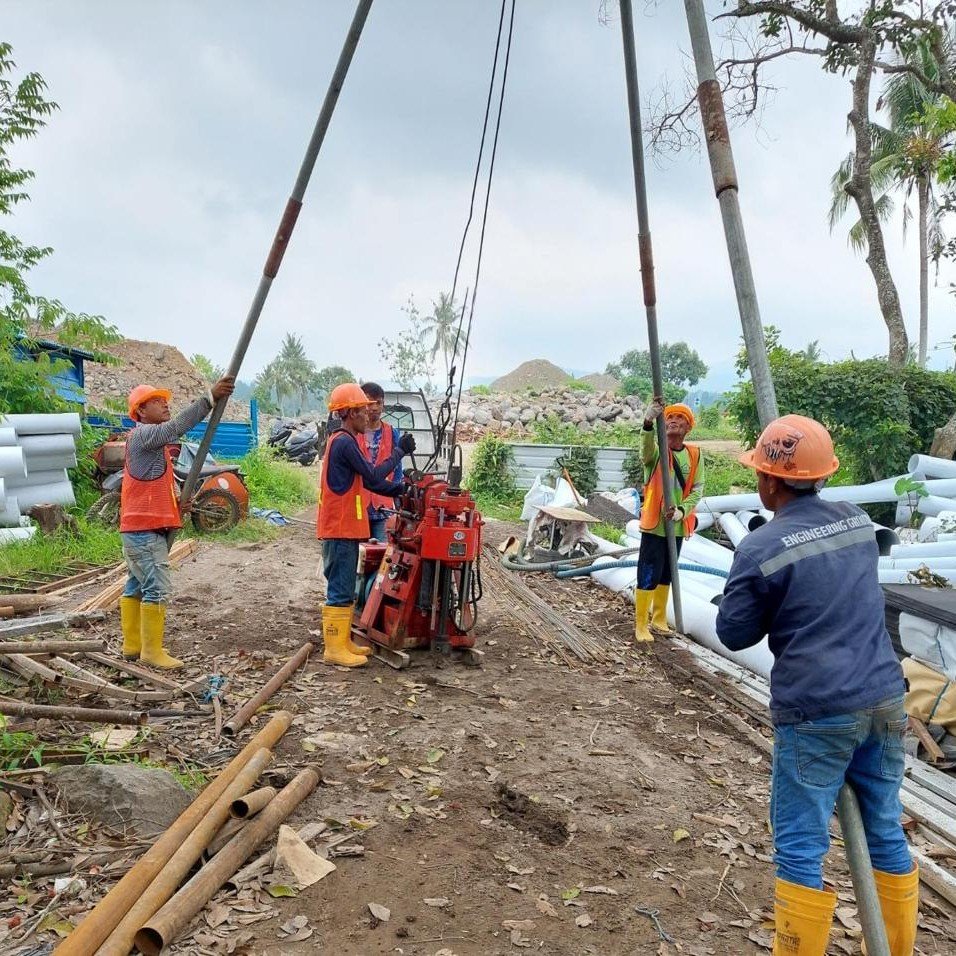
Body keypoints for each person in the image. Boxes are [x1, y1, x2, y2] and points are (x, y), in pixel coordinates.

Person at [715, 414, 916, 956]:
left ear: (770, 481)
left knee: (802, 849)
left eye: (759, 471)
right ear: (822, 475)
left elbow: (733, 634)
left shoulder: (761, 548)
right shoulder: (854, 521)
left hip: (817, 712)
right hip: (885, 697)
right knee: (886, 830)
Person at [119, 376, 235, 669]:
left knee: (136, 585)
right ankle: (151, 652)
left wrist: (175, 505)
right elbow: (177, 426)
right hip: (144, 533)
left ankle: (133, 645)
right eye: (157, 402)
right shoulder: (145, 435)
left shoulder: (147, 444)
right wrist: (208, 399)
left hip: (140, 530)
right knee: (156, 588)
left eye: (164, 400)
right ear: (141, 412)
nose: (165, 404)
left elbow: (151, 487)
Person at [317, 382, 416, 667]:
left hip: (345, 528)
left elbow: (369, 482)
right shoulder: (345, 442)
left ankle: (343, 641)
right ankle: (334, 649)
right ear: (348, 413)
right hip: (340, 529)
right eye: (362, 409)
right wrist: (398, 454)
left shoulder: (342, 441)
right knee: (339, 588)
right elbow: (373, 477)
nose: (368, 415)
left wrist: (400, 490)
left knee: (346, 585)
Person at [634, 399, 704, 642]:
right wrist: (647, 422)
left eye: (680, 419)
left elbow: (697, 488)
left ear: (688, 427)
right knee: (648, 573)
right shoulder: (656, 453)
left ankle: (659, 618)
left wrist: (682, 511)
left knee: (667, 572)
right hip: (655, 523)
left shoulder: (694, 455)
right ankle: (641, 624)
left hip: (676, 524)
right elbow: (644, 453)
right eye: (670, 418)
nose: (674, 421)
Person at [356, 382, 403, 541]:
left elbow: (397, 469)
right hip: (358, 506)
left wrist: (396, 494)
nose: (375, 407)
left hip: (384, 507)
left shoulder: (392, 432)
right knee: (359, 555)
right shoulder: (353, 433)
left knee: (383, 557)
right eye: (370, 402)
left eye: (379, 402)